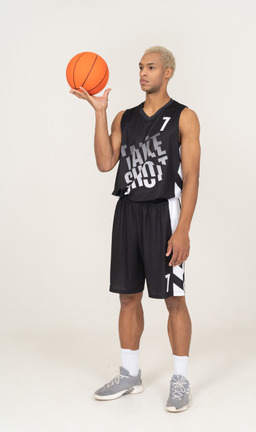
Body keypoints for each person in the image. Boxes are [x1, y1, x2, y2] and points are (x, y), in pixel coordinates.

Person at [69, 46, 201, 413]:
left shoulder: (184, 117)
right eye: (141, 67)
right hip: (128, 212)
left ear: (168, 72)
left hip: (165, 214)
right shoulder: (124, 118)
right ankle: (130, 373)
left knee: (174, 300)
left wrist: (183, 230)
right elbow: (104, 162)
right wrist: (100, 112)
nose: (143, 73)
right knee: (128, 296)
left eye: (152, 67)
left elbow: (191, 178)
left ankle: (180, 378)